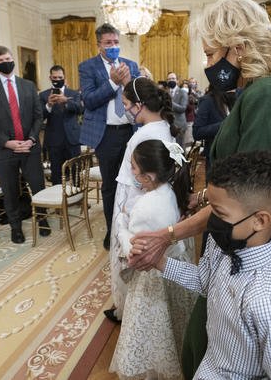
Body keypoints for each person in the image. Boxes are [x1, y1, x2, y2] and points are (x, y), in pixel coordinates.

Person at [128, 0, 271, 378]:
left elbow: (249, 190)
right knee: (214, 331)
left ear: (238, 47)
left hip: (254, 233)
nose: (207, 65)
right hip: (236, 225)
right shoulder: (255, 92)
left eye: (211, 54)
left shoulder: (268, 94)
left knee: (239, 346)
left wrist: (170, 233)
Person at [131, 151, 271, 378]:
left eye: (219, 212)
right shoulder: (227, 243)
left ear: (260, 220)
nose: (211, 221)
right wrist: (159, 261)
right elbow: (205, 281)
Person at [109, 139, 197, 379]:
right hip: (174, 268)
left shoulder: (147, 206)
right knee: (173, 327)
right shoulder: (169, 191)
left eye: (134, 168)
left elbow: (133, 250)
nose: (131, 171)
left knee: (152, 337)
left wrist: (121, 224)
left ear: (147, 176)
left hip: (153, 278)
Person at [105, 76, 180, 323]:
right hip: (154, 193)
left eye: (127, 104)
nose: (125, 109)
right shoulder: (164, 126)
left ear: (140, 103)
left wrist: (125, 210)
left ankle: (126, 308)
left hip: (137, 194)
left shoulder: (142, 135)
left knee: (128, 245)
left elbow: (136, 177)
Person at [0, 45, 50, 244]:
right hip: (3, 150)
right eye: (0, 61)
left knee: (38, 186)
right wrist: (7, 142)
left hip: (29, 147)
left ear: (13, 59)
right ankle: (15, 227)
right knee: (10, 191)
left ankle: (42, 219)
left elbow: (38, 116)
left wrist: (32, 139)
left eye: (7, 59)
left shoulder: (28, 85)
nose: (5, 63)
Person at [78, 23, 140, 250]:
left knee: (135, 182)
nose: (113, 46)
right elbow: (90, 101)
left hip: (131, 132)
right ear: (99, 45)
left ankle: (131, 226)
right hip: (107, 136)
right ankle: (112, 231)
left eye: (116, 42)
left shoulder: (130, 65)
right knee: (111, 186)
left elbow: (139, 96)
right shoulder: (87, 67)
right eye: (108, 43)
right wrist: (113, 82)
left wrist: (127, 83)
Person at [39, 65, 83, 184]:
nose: (57, 79)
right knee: (56, 174)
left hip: (72, 139)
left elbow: (80, 109)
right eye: (55, 77)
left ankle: (78, 199)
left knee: (76, 172)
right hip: (54, 139)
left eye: (60, 77)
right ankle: (58, 199)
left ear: (64, 77)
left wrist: (66, 101)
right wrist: (48, 105)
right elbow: (40, 117)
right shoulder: (43, 95)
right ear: (50, 78)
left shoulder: (73, 93)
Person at [192, 85, 235, 174]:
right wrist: (224, 125)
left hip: (233, 159)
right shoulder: (208, 101)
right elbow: (197, 132)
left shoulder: (234, 99)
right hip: (215, 159)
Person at [167, 72, 188, 146]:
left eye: (173, 78)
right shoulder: (165, 92)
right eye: (169, 79)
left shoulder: (182, 92)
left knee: (180, 148)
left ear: (177, 80)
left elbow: (183, 108)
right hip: (168, 125)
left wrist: (170, 102)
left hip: (179, 126)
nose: (171, 80)